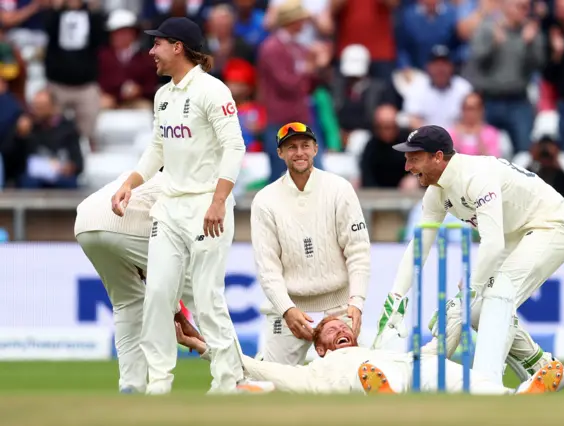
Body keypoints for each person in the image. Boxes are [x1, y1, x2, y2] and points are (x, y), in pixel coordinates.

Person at [376, 125, 564, 387]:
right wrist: (395, 297)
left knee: (495, 298)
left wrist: (470, 290)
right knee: (473, 311)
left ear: (438, 157)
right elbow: (419, 246)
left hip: (551, 226)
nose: (407, 167)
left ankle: (486, 385)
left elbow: (492, 244)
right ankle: (541, 366)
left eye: (414, 158)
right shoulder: (436, 193)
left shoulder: (476, 177)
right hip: (514, 234)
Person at [111, 17, 246, 395]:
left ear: (178, 47)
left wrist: (219, 200)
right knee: (156, 294)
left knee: (206, 297)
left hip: (207, 206)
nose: (151, 52)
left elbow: (236, 147)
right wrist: (129, 184)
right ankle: (158, 383)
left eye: (157, 44)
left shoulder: (212, 91)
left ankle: (226, 381)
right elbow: (157, 148)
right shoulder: (163, 95)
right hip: (169, 206)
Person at [176, 316, 564, 395]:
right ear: (320, 346)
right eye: (331, 330)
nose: (341, 330)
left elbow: (432, 349)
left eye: (344, 327)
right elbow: (252, 364)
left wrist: (455, 315)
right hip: (360, 379)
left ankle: (518, 399)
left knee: (449, 373)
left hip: (411, 367)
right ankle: (383, 400)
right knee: (369, 374)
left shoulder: (378, 349)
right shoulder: (316, 369)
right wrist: (203, 347)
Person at [250, 122, 371, 365]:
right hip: (289, 308)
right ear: (280, 153)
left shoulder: (340, 189)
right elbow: (268, 268)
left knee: (354, 379)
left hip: (339, 305)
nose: (299, 152)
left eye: (305, 145)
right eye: (291, 147)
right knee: (271, 382)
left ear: (316, 149)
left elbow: (358, 252)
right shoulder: (265, 200)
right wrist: (286, 310)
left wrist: (356, 302)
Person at [75, 170, 201, 394]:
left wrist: (177, 312)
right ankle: (235, 374)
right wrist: (179, 314)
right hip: (120, 221)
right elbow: (169, 271)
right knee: (201, 290)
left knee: (128, 302)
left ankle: (131, 386)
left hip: (85, 220)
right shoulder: (187, 182)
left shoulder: (146, 172)